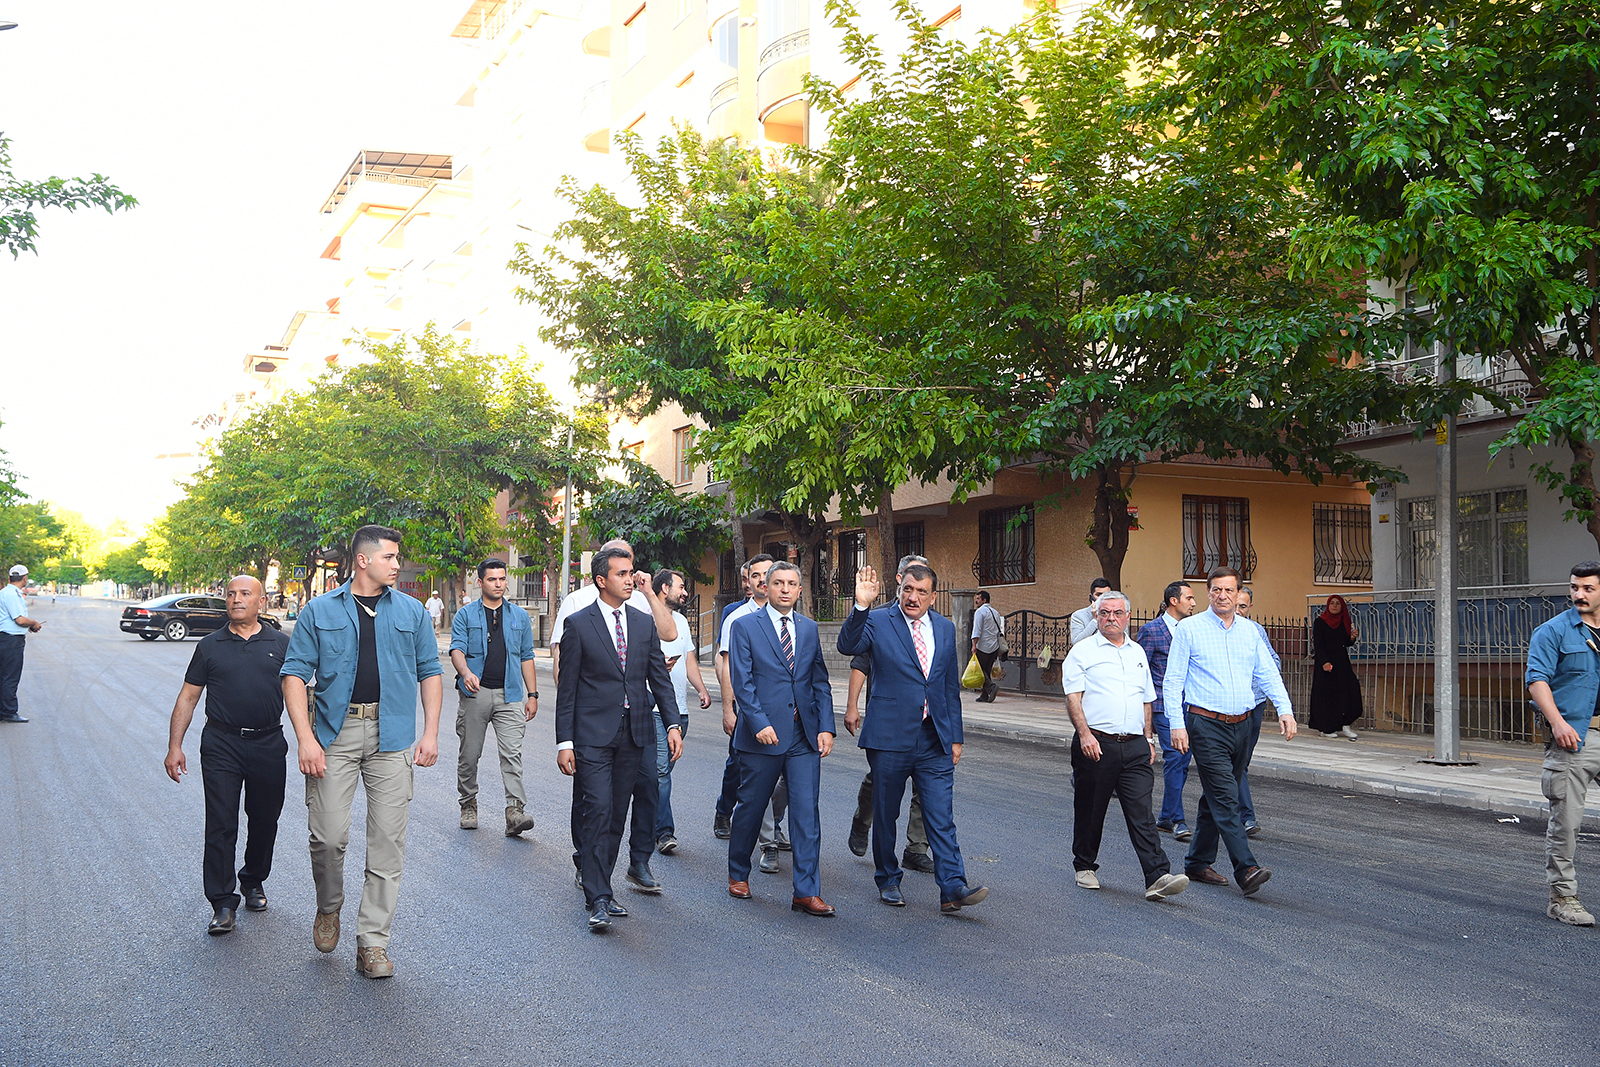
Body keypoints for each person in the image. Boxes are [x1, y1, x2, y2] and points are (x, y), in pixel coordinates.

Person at [280, 525, 444, 979]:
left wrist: (430, 733)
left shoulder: (411, 612)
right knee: (328, 837)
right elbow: (294, 675)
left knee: (388, 844)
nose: (398, 563)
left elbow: (430, 671)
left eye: (398, 556)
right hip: (335, 734)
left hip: (392, 736)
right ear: (363, 561)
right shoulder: (319, 610)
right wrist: (306, 739)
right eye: (391, 557)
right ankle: (329, 906)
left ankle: (372, 942)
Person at [838, 563, 989, 913]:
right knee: (887, 813)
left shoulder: (946, 628)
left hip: (933, 737)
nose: (913, 597)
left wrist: (955, 736)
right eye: (908, 589)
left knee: (940, 815)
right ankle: (888, 879)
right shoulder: (878, 621)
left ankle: (952, 886)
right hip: (889, 736)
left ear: (933, 596)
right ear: (899, 588)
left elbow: (949, 686)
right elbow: (848, 646)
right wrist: (861, 605)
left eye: (922, 592)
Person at [555, 547, 681, 932]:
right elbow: (569, 690)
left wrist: (673, 724)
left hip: (635, 732)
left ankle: (603, 888)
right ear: (601, 580)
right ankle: (597, 897)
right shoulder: (579, 624)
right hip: (592, 734)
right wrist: (565, 743)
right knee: (598, 808)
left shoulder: (643, 624)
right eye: (622, 574)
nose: (631, 579)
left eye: (631, 573)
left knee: (617, 816)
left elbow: (658, 678)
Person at [163, 575, 290, 935]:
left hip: (268, 742)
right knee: (220, 822)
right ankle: (221, 902)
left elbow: (299, 696)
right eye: (231, 594)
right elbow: (188, 697)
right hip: (221, 743)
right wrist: (175, 746)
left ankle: (252, 879)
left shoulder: (281, 643)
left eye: (245, 594)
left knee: (265, 818)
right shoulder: (209, 645)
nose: (236, 599)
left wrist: (311, 742)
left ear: (261, 602)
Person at [1163, 566, 1296, 896]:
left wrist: (1285, 709)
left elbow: (1267, 673)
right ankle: (1246, 867)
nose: (1223, 596)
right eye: (1216, 590)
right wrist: (1176, 725)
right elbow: (1173, 680)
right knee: (1226, 796)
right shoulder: (1190, 629)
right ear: (1209, 593)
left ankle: (1196, 862)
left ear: (1239, 595)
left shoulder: (1250, 632)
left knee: (1216, 795)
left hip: (1243, 725)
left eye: (1229, 590)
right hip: (1204, 724)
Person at [1062, 591, 1189, 902]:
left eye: (1117, 613)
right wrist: (1085, 735)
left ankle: (1157, 876)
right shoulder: (1082, 652)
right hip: (1096, 743)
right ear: (1096, 617)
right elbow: (1073, 698)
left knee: (1141, 812)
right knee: (1092, 809)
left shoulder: (1136, 653)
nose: (1111, 619)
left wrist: (1148, 738)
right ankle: (1085, 866)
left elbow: (1146, 698)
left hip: (1134, 746)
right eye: (1104, 613)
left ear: (1128, 616)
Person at [726, 561, 836, 914]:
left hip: (803, 736)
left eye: (791, 583)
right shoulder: (745, 626)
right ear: (765, 588)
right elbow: (741, 681)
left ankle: (806, 891)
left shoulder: (808, 628)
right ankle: (738, 872)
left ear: (799, 590)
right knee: (752, 809)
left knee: (807, 814)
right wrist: (757, 721)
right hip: (762, 736)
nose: (785, 589)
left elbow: (819, 682)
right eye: (777, 583)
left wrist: (825, 727)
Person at [846, 554, 932, 873]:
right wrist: (852, 705)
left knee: (925, 783)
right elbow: (860, 663)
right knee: (880, 782)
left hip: (924, 724)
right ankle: (862, 820)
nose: (916, 592)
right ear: (899, 580)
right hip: (887, 721)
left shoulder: (931, 622)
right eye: (911, 579)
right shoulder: (878, 618)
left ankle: (916, 847)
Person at [1527, 561, 1600, 927]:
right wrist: (1557, 723)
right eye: (1575, 588)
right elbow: (1536, 679)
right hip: (1574, 738)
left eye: (1588, 588)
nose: (1579, 595)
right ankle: (1563, 897)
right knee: (1567, 822)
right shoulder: (1553, 632)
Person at [449, 558, 538, 836]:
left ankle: (515, 811)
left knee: (512, 754)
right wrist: (465, 673)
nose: (498, 584)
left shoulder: (519, 616)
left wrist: (532, 694)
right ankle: (468, 804)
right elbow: (457, 650)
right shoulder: (465, 615)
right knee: (469, 754)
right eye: (492, 579)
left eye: (502, 579)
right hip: (475, 695)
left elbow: (526, 656)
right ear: (481, 583)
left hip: (509, 694)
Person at [713, 554, 788, 866]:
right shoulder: (737, 618)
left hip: (786, 715)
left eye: (768, 574)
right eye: (757, 575)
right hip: (751, 714)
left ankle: (772, 824)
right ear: (750, 581)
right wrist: (729, 708)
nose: (762, 580)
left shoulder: (791, 617)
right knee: (743, 772)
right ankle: (764, 839)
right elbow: (727, 665)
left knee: (786, 779)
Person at [652, 569, 710, 856]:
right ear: (664, 588)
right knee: (661, 771)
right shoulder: (646, 619)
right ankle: (664, 833)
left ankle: (648, 813)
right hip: (653, 708)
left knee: (659, 773)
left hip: (679, 710)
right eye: (681, 586)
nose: (685, 592)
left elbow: (689, 661)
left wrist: (701, 689)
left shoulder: (683, 623)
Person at [1138, 581, 1197, 841]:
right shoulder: (1152, 630)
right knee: (1175, 755)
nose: (1194, 603)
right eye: (1189, 598)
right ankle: (1178, 820)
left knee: (1183, 760)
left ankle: (1165, 817)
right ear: (1174, 601)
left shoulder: (1193, 629)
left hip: (1189, 704)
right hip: (1162, 704)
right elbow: (1141, 670)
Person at [1234, 586, 1280, 838]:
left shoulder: (1255, 631)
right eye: (1235, 605)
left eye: (1243, 606)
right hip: (1225, 708)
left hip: (1254, 704)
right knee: (1235, 763)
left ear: (1250, 607)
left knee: (1242, 763)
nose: (1238, 611)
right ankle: (1247, 817)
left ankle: (1235, 812)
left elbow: (1273, 662)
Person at [1309, 594, 1363, 740]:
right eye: (1332, 603)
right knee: (1328, 696)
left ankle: (1345, 724)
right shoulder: (1320, 622)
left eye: (1337, 604)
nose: (1334, 606)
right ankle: (1326, 727)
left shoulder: (1343, 620)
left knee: (1351, 691)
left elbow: (1345, 642)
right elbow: (1318, 644)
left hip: (1341, 662)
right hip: (1326, 663)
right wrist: (1325, 662)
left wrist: (1352, 638)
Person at [0, 564, 42, 723]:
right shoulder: (12, 594)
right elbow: (20, 619)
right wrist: (33, 623)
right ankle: (9, 712)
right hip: (11, 641)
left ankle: (3, 710)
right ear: (25, 578)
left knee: (3, 676)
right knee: (10, 677)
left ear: (10, 577)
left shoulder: (5, 592)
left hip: (5, 638)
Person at [971, 589, 1004, 704]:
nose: (976, 600)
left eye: (978, 598)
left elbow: (977, 630)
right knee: (987, 670)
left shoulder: (980, 612)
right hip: (994, 646)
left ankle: (991, 687)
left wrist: (974, 645)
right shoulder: (995, 612)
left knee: (979, 670)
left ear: (984, 600)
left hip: (983, 646)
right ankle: (984, 695)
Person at [1068, 578, 1112, 647]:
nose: (1103, 598)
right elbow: (1077, 643)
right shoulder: (1078, 616)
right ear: (1091, 597)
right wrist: (1095, 620)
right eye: (1099, 595)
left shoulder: (1118, 616)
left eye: (1106, 595)